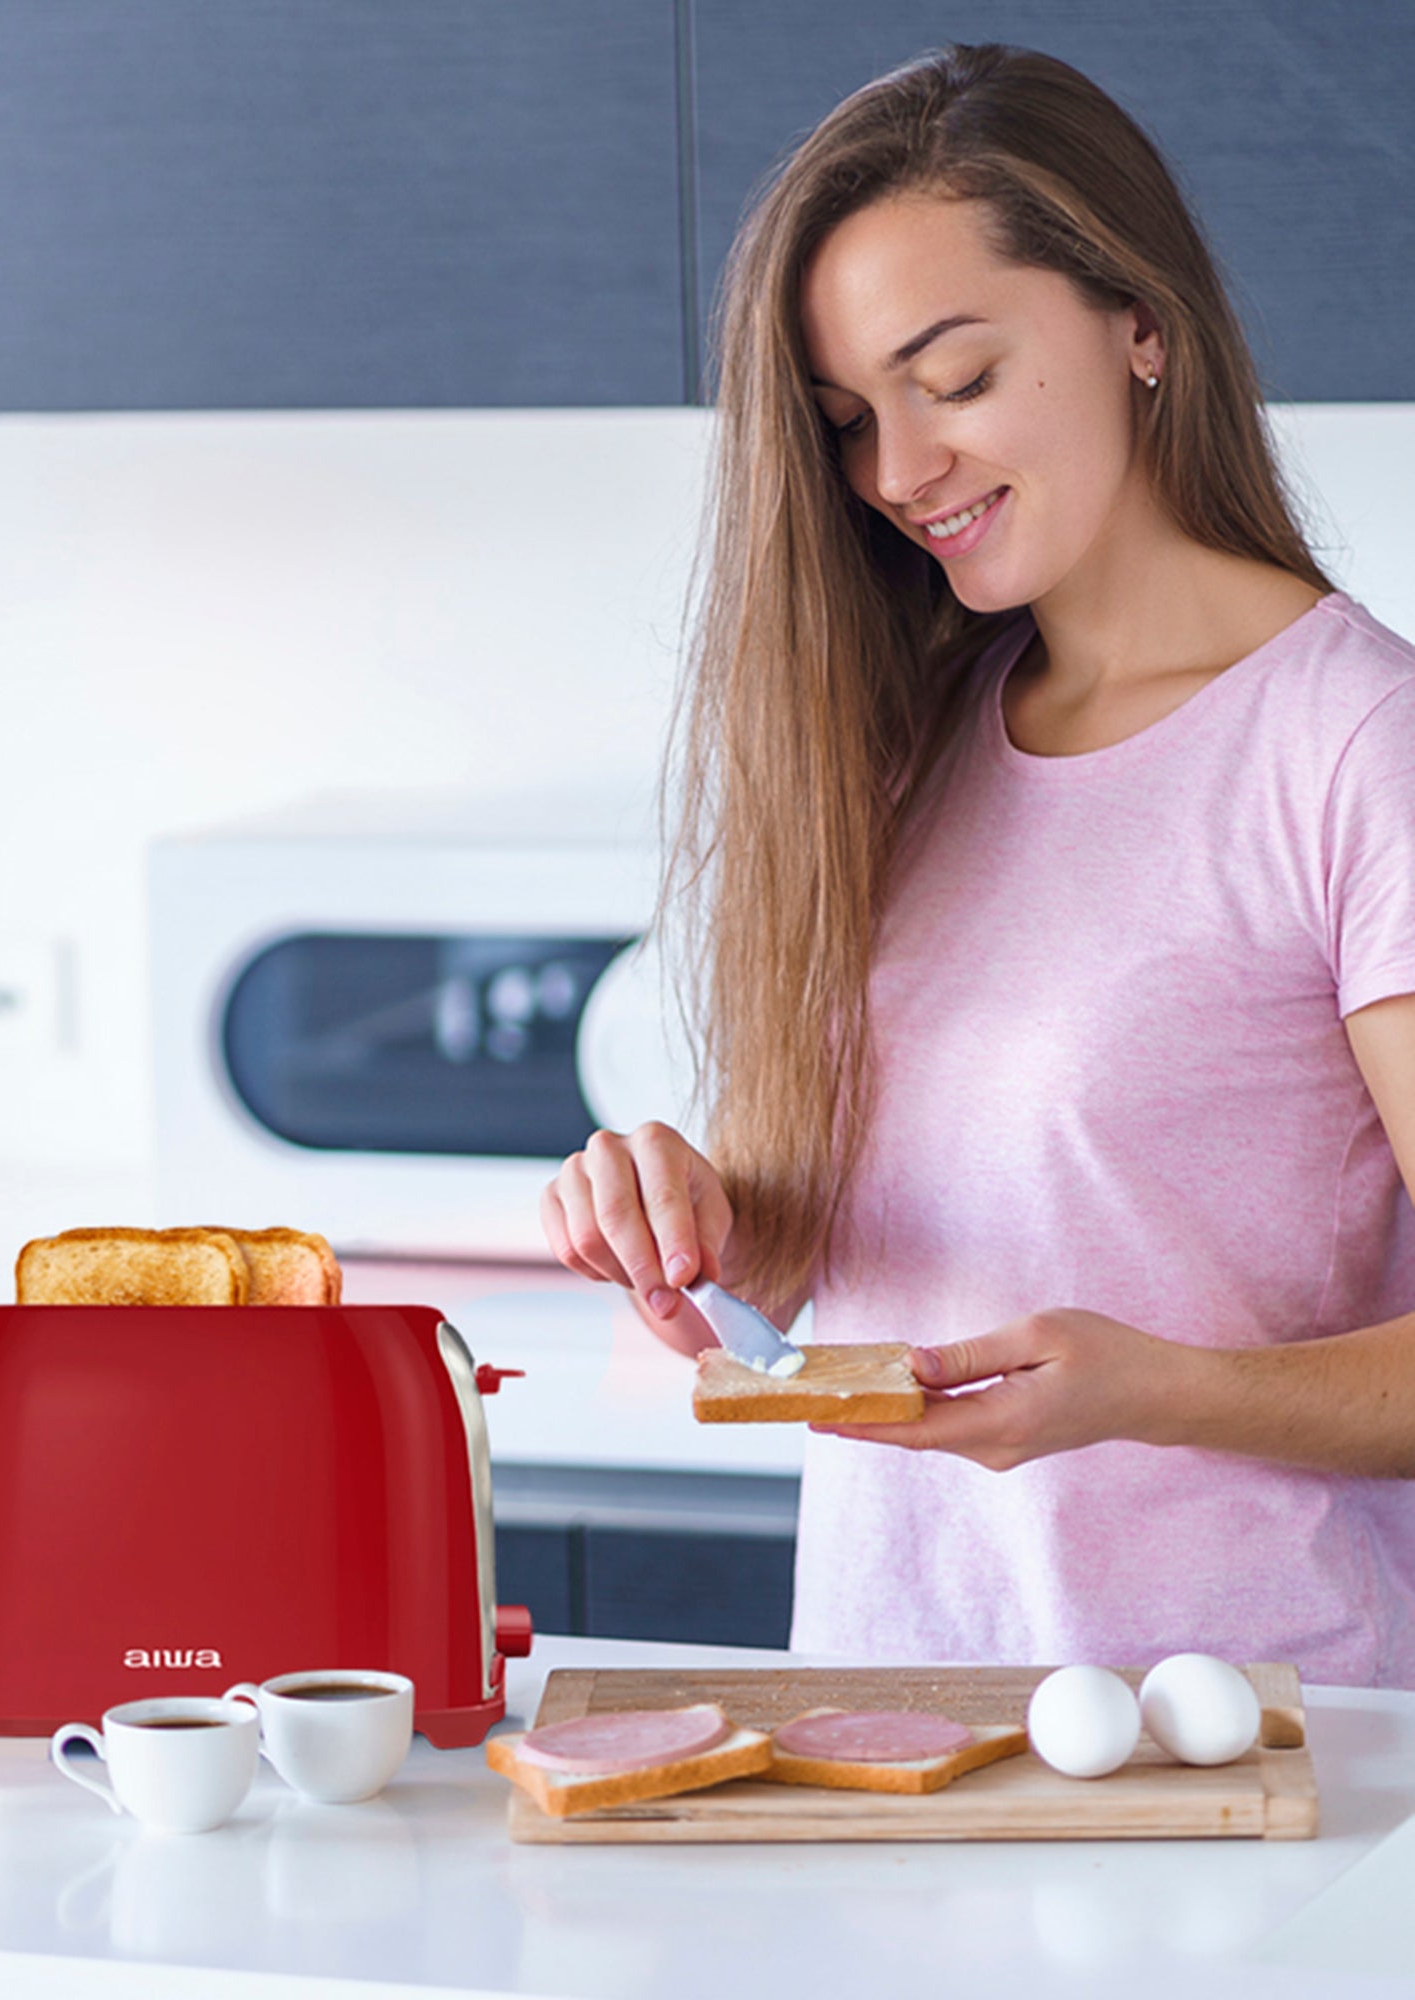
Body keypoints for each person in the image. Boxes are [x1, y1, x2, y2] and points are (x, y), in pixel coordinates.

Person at [541, 44, 1415, 1685]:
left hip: (1246, 1747)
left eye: (954, 380)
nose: (896, 472)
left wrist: (1153, 1387)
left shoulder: (1356, 749)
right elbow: (859, 1244)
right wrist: (699, 1224)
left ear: (1137, 320)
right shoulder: (907, 736)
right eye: (853, 419)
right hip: (892, 1708)